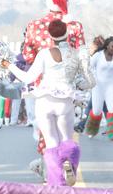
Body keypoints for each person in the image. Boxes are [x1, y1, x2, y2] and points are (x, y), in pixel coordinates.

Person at [10, 20, 94, 185]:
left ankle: (57, 183)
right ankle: (68, 161)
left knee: (51, 143)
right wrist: (77, 85)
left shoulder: (44, 53)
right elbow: (89, 82)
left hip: (45, 100)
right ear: (67, 34)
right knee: (67, 139)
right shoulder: (76, 54)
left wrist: (9, 66)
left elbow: (28, 78)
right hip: (65, 102)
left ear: (50, 36)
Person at [86, 36, 113, 141]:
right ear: (106, 46)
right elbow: (87, 66)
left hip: (111, 87)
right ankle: (92, 130)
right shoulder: (98, 55)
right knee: (96, 110)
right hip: (97, 87)